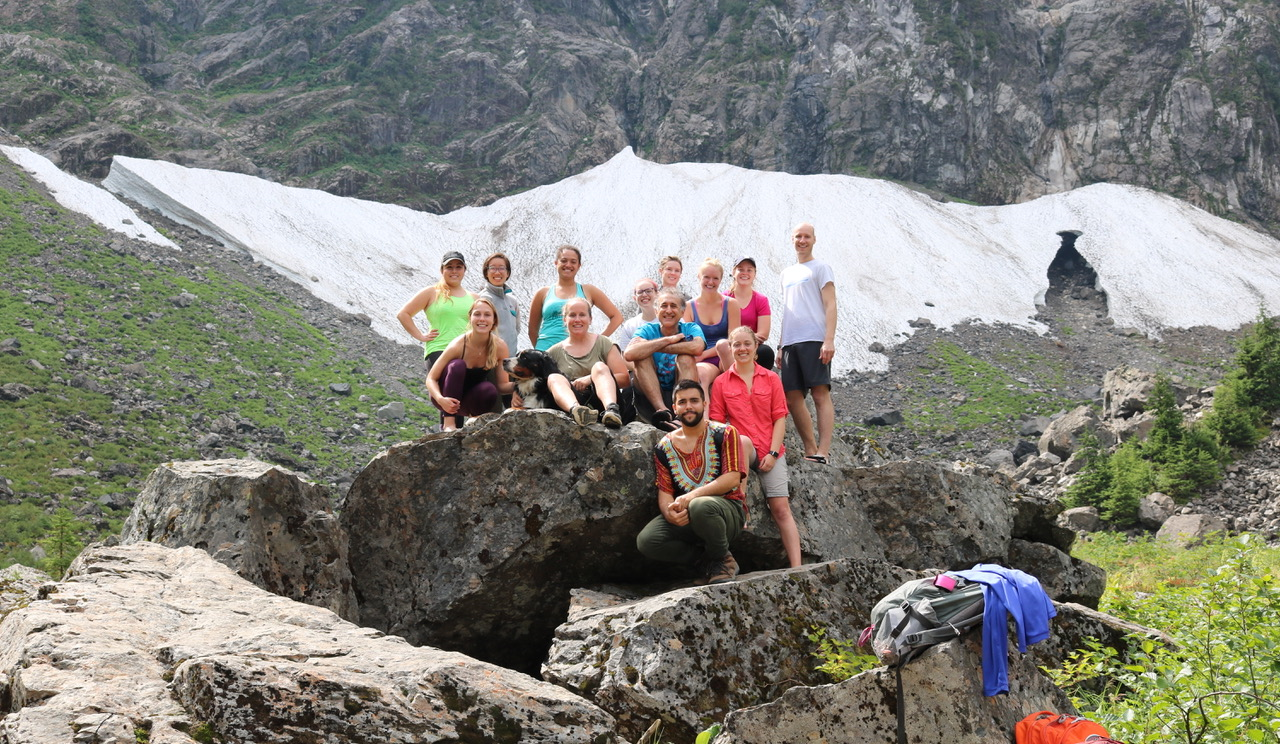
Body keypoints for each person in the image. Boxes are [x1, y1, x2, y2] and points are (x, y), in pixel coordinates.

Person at [636, 379, 747, 584]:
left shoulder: (726, 433)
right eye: (683, 402)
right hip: (689, 515)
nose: (688, 406)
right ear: (674, 408)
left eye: (694, 401)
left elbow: (732, 478)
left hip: (726, 512)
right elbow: (665, 489)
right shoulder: (664, 446)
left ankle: (722, 559)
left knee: (700, 506)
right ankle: (704, 562)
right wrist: (669, 513)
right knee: (647, 541)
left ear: (705, 404)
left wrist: (691, 496)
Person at [710, 326, 801, 567]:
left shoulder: (771, 378)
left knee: (781, 509)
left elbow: (779, 418)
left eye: (746, 344)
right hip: (742, 450)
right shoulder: (721, 383)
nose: (742, 349)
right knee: (740, 440)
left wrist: (772, 453)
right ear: (730, 349)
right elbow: (718, 423)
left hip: (771, 449)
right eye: (736, 345)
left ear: (755, 348)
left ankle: (798, 568)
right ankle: (741, 504)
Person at [779, 222, 837, 463]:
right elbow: (787, 309)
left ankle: (823, 450)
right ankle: (810, 449)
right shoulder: (786, 273)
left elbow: (830, 304)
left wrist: (829, 339)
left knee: (819, 393)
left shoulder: (821, 268)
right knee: (792, 397)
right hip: (791, 341)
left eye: (806, 236)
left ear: (814, 240)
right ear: (792, 239)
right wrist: (781, 344)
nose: (802, 241)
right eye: (798, 236)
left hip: (814, 338)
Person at [424, 297, 514, 431]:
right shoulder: (459, 344)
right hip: (444, 397)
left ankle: (475, 423)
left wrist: (522, 385)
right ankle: (448, 423)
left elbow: (502, 386)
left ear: (494, 320)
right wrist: (440, 399)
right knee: (457, 365)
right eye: (477, 314)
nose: (482, 319)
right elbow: (431, 378)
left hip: (468, 400)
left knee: (489, 389)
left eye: (487, 315)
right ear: (470, 318)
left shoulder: (500, 347)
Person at [624, 289, 706, 430]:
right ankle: (663, 412)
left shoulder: (690, 328)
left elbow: (697, 348)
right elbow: (630, 354)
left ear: (682, 312)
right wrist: (669, 340)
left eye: (673, 306)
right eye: (664, 306)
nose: (668, 310)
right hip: (648, 393)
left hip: (678, 386)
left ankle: (682, 415)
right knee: (641, 358)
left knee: (686, 358)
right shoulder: (647, 329)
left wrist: (655, 346)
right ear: (656, 311)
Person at [545, 297, 628, 428]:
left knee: (599, 367)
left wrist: (589, 378)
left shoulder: (604, 343)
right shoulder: (553, 352)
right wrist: (517, 393)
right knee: (554, 377)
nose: (577, 319)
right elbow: (534, 378)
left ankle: (612, 411)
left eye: (582, 315)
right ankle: (577, 411)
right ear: (564, 319)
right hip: (572, 404)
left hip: (602, 402)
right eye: (572, 315)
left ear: (590, 319)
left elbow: (624, 378)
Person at [396, 250, 475, 378]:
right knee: (447, 390)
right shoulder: (432, 292)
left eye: (458, 267)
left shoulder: (474, 297)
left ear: (464, 270)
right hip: (440, 349)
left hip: (467, 352)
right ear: (442, 270)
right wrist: (420, 336)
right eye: (449, 267)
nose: (454, 271)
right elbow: (403, 314)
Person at [528, 245, 623, 351]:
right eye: (564, 260)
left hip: (577, 354)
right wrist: (541, 353)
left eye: (573, 262)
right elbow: (532, 330)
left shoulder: (588, 290)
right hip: (545, 351)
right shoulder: (543, 293)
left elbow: (617, 317)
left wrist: (596, 342)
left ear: (579, 266)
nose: (568, 265)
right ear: (556, 263)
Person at [684, 258, 741, 393]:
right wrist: (702, 356)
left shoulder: (731, 304)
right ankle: (705, 414)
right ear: (699, 277)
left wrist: (704, 354)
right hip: (703, 360)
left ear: (721, 280)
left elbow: (733, 339)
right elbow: (689, 341)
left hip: (726, 354)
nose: (710, 282)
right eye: (706, 277)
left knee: (733, 373)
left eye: (715, 278)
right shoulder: (688, 307)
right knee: (701, 377)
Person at [725, 256, 775, 370]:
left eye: (749, 270)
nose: (745, 273)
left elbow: (763, 334)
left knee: (765, 352)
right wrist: (736, 344)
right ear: (733, 272)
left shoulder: (761, 300)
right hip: (728, 346)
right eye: (740, 269)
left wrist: (744, 343)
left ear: (754, 274)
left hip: (751, 346)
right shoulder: (724, 298)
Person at [476, 252, 521, 354]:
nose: (497, 272)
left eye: (501, 268)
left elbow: (517, 329)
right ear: (486, 273)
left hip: (510, 360)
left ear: (508, 273)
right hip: (489, 359)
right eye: (492, 268)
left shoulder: (512, 300)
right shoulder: (483, 298)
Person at [613, 277, 660, 357]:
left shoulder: (672, 318)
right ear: (634, 298)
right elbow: (624, 356)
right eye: (640, 292)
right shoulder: (630, 325)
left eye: (648, 291)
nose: (644, 295)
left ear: (657, 294)